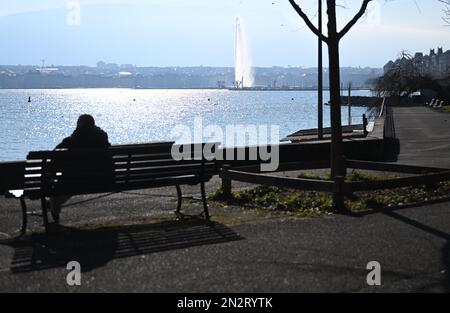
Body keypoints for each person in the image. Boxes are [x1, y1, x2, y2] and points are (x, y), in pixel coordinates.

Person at [49, 114, 111, 224]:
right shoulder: (103, 139)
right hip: (102, 181)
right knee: (75, 179)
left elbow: (53, 158)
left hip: (76, 182)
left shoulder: (71, 141)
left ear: (79, 125)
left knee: (57, 191)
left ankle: (55, 219)